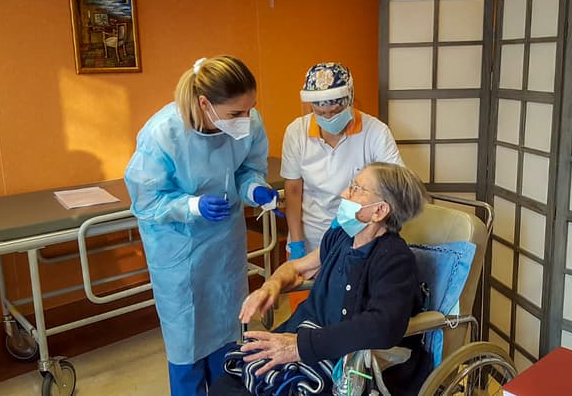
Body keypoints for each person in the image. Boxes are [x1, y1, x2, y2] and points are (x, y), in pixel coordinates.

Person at [124, 55, 280, 396]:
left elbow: (247, 168)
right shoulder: (163, 134)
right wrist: (191, 205)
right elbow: (147, 201)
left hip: (224, 244)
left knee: (228, 326)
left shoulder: (248, 124)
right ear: (205, 103)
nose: (247, 119)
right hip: (178, 250)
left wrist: (254, 188)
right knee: (186, 337)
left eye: (250, 109)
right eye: (236, 113)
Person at [210, 162, 431, 396]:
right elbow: (297, 269)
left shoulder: (394, 259)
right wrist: (270, 285)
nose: (344, 194)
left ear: (379, 211)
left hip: (340, 359)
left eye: (357, 189)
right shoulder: (341, 237)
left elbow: (382, 326)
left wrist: (299, 347)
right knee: (226, 385)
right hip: (305, 336)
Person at [281, 62, 404, 262]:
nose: (328, 118)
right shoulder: (296, 132)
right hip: (310, 238)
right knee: (307, 293)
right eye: (320, 113)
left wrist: (354, 220)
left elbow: (396, 186)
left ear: (350, 100)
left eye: (336, 111)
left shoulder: (375, 132)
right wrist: (296, 242)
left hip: (361, 237)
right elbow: (293, 189)